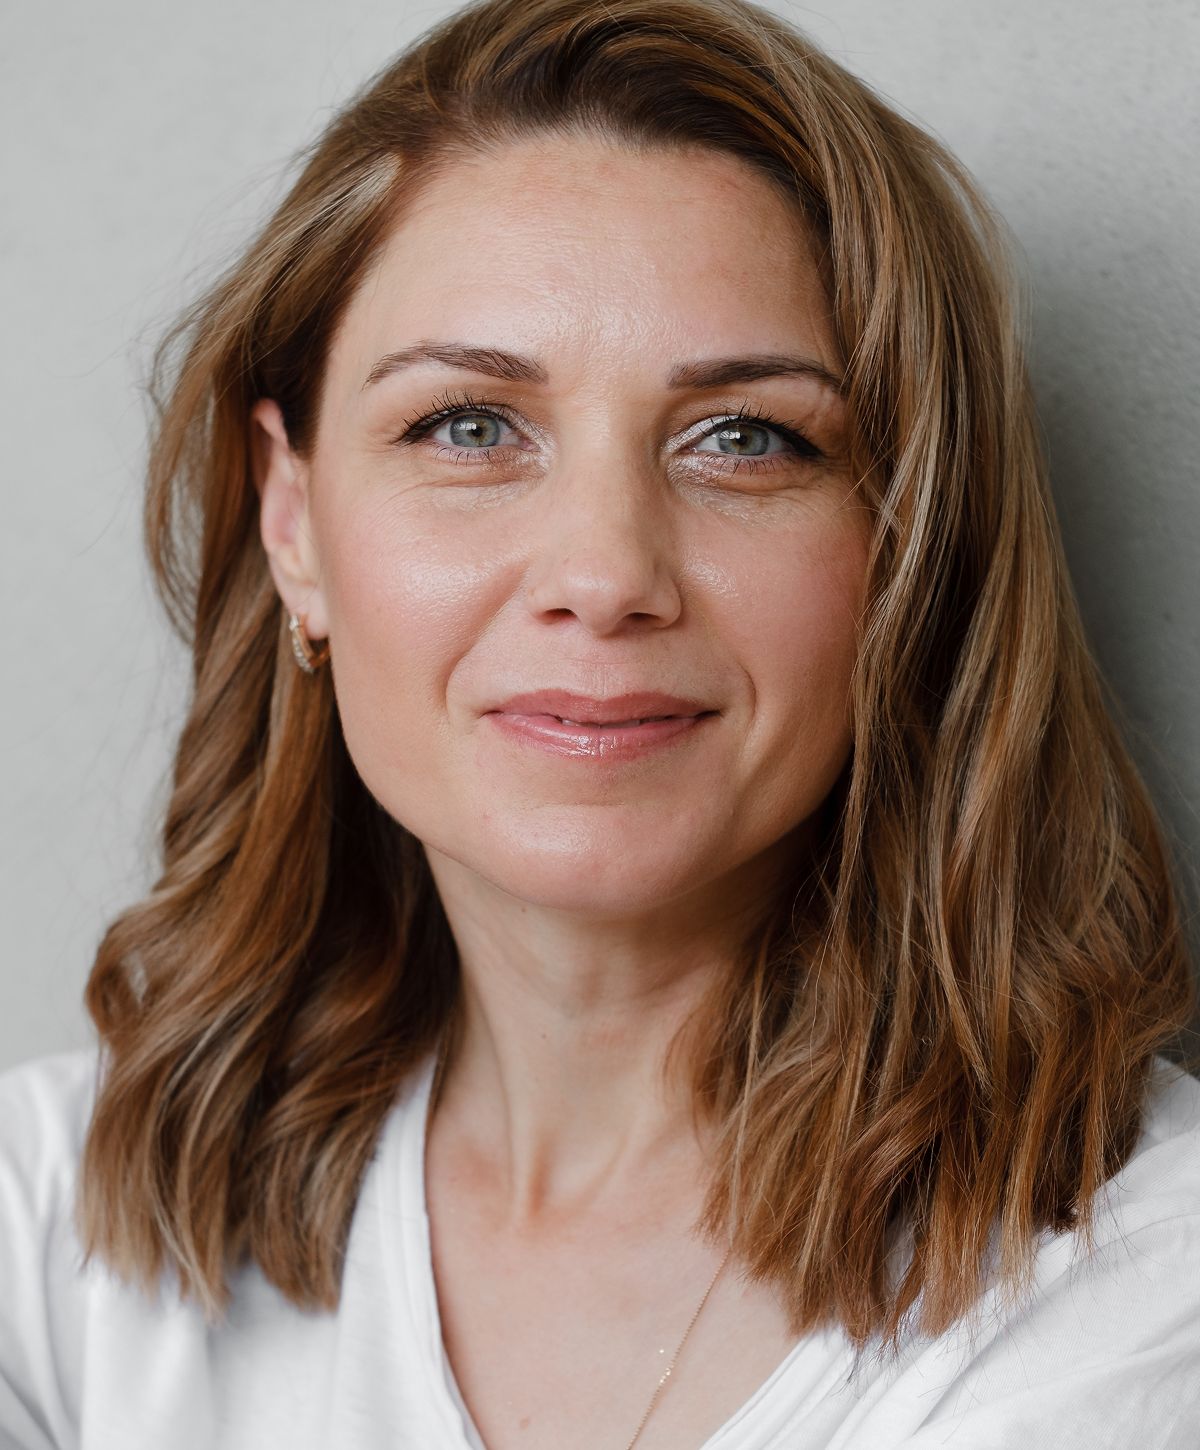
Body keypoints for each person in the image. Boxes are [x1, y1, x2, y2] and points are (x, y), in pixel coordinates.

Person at [2, 0, 1198, 1445]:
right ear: (294, 519)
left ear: (909, 550)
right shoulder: (47, 1231)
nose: (605, 575)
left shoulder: (1147, 1279)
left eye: (746, 437)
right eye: (469, 426)